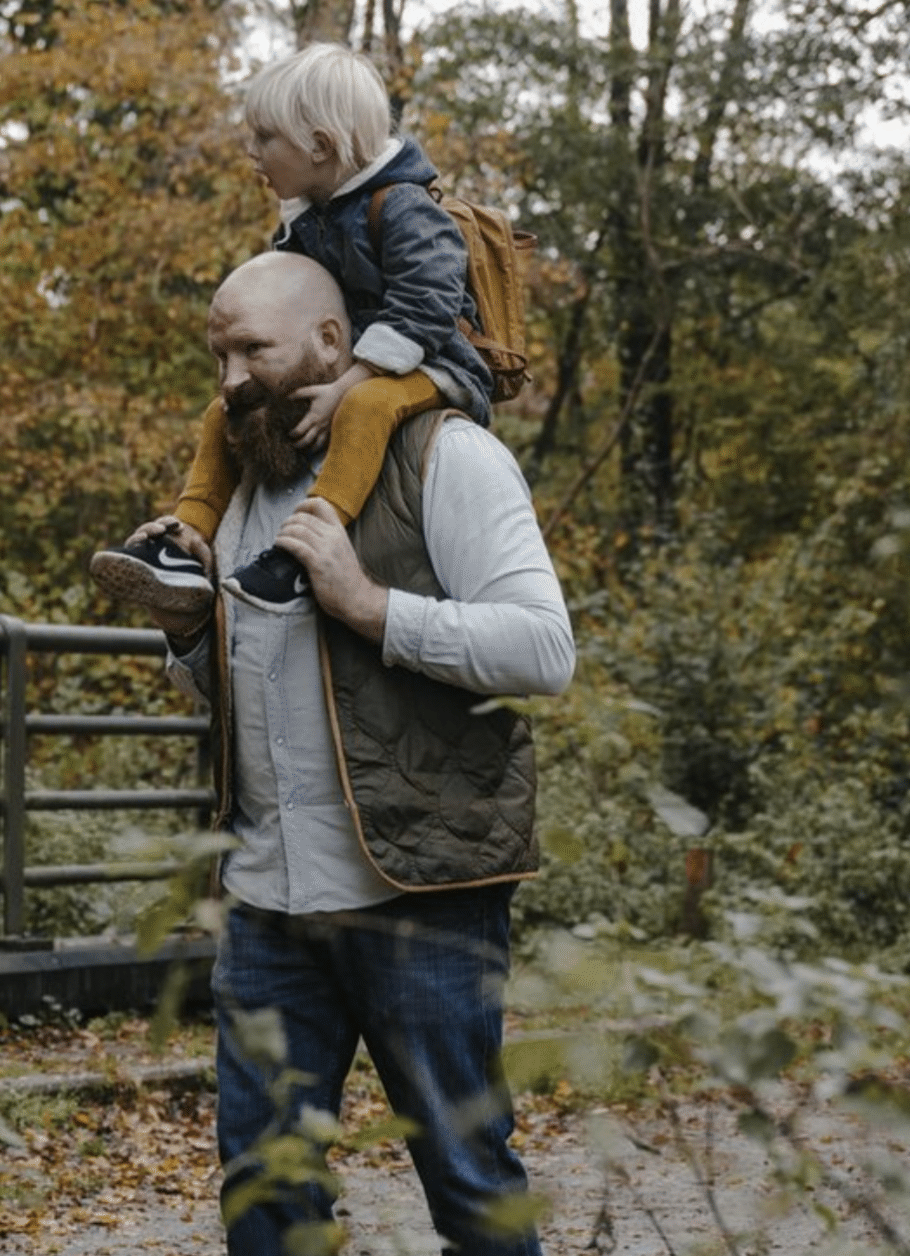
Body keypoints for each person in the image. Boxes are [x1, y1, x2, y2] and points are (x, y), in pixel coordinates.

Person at [132, 253, 573, 1256]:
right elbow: (239, 693)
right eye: (217, 353)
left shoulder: (444, 456)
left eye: (253, 349)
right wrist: (188, 631)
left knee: (469, 1185)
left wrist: (369, 607)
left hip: (422, 895)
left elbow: (545, 651)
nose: (229, 379)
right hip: (269, 907)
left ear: (332, 345)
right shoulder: (243, 487)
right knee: (263, 1194)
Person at [91, 41, 498, 615]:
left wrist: (349, 380)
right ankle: (185, 538)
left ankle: (306, 549)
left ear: (320, 147)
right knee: (224, 409)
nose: (250, 150)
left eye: (264, 138)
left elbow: (428, 304)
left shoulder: (403, 207)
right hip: (360, 364)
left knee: (366, 407)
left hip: (435, 365)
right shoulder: (312, 215)